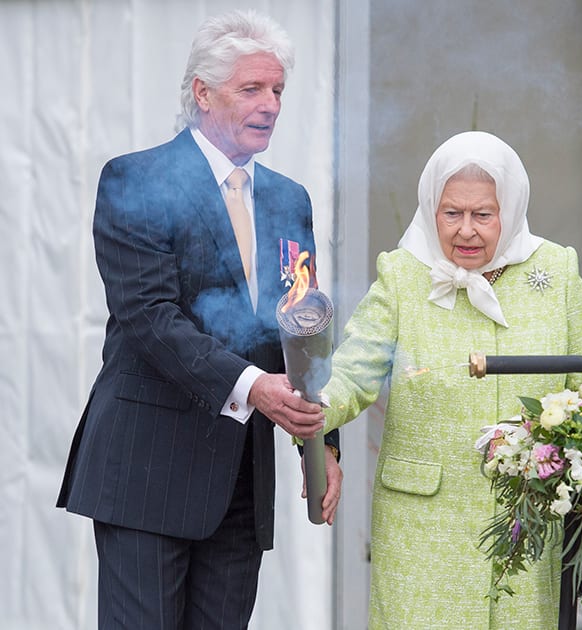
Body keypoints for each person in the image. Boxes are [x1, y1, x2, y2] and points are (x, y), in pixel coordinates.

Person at [56, 10, 342, 629]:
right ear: (202, 94)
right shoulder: (136, 179)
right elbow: (150, 319)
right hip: (147, 473)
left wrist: (322, 444)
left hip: (241, 481)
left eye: (278, 90)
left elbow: (303, 327)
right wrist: (253, 388)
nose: (270, 104)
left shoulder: (289, 199)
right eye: (252, 89)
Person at [320, 130, 582, 628]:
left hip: (528, 520)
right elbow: (353, 371)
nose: (466, 231)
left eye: (483, 215)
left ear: (511, 209)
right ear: (431, 208)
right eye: (452, 213)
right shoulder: (403, 274)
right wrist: (311, 411)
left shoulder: (556, 271)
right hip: (422, 527)